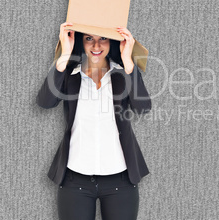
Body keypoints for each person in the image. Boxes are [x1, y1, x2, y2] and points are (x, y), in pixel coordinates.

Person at [36, 22, 152, 220]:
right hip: (75, 180)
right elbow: (45, 102)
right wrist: (64, 55)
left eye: (103, 38)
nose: (96, 46)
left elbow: (143, 107)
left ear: (112, 42)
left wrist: (128, 62)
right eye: (89, 38)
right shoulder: (70, 75)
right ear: (81, 41)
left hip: (120, 180)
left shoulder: (123, 75)